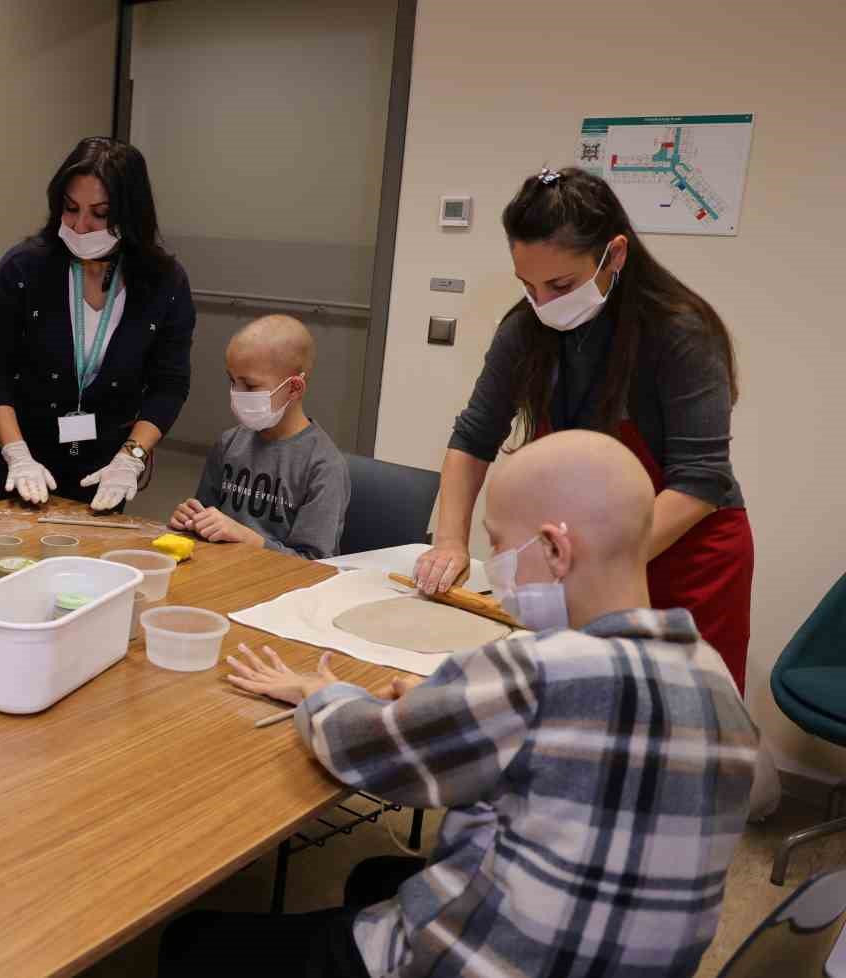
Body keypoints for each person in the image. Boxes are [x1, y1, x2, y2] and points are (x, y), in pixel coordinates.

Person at [159, 430, 762, 978]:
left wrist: (321, 696)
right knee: (376, 876)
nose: (492, 571)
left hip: (483, 963)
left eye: (498, 547)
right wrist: (458, 710)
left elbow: (367, 751)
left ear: (555, 549)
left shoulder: (535, 672)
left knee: (194, 941)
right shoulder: (717, 681)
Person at [412, 166, 753, 691]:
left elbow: (700, 480)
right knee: (580, 710)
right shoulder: (526, 330)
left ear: (614, 255)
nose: (543, 304)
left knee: (677, 720)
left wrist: (601, 566)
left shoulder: (681, 333)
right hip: (582, 560)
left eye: (561, 285)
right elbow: (472, 439)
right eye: (528, 286)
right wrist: (451, 542)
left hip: (687, 559)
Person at [0, 136, 195, 511]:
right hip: (27, 456)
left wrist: (130, 458)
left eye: (100, 213)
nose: (80, 225)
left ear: (130, 213)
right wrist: (16, 453)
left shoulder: (165, 283)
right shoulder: (24, 269)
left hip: (107, 462)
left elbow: (169, 384)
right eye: (70, 208)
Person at [168, 315, 350, 558]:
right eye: (232, 381)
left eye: (251, 386)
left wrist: (248, 538)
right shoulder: (229, 443)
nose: (236, 394)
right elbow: (206, 520)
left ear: (294, 388)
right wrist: (190, 521)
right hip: (222, 574)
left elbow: (314, 565)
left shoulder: (323, 467)